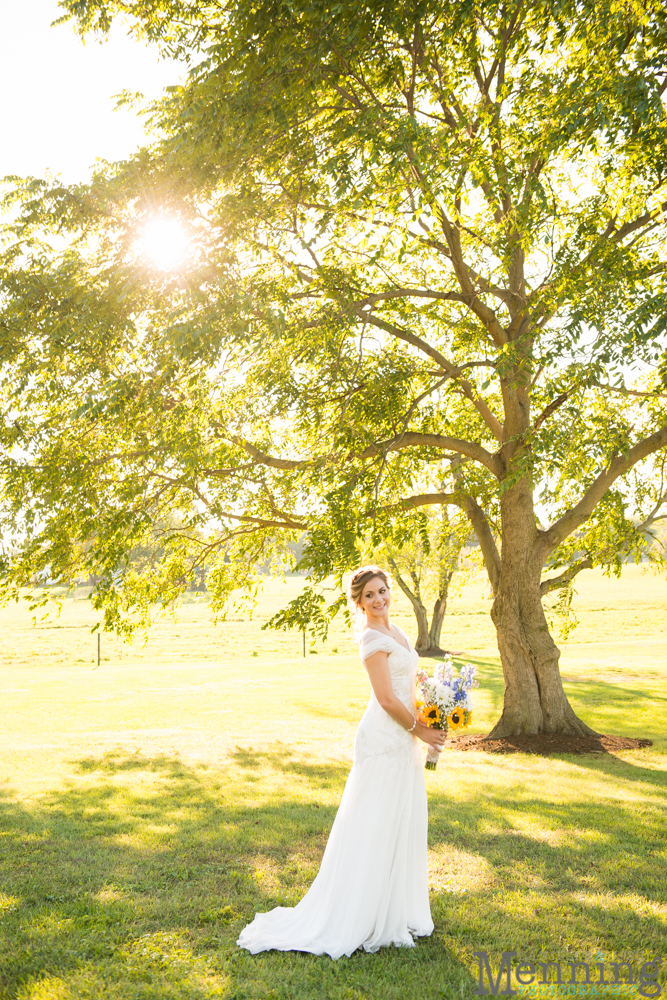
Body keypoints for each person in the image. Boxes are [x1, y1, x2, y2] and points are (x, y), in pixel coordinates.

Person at [236, 565, 445, 959]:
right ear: (358, 602)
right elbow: (385, 698)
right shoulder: (370, 638)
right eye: (369, 595)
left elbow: (407, 684)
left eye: (382, 591)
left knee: (400, 819)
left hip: (406, 737)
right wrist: (421, 730)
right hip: (385, 738)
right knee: (373, 822)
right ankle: (359, 914)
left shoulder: (395, 630)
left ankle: (394, 908)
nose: (379, 599)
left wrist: (435, 712)